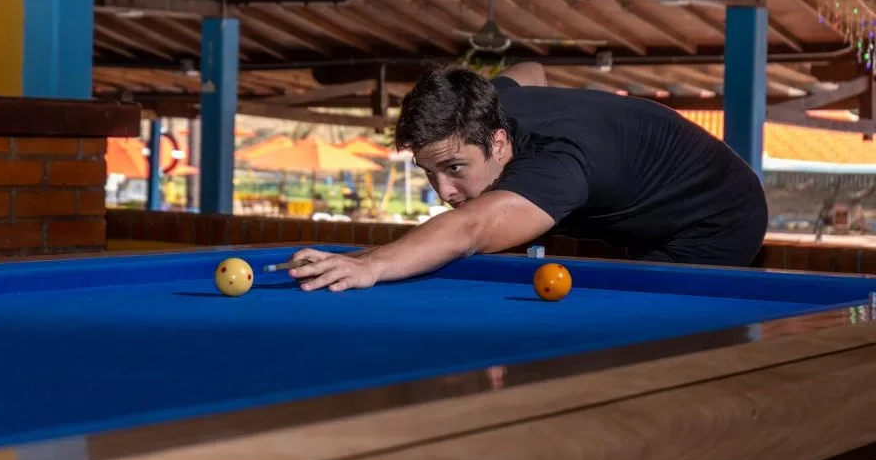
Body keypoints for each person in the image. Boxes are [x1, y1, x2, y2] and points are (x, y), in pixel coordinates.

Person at [287, 62, 768, 292]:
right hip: (655, 201)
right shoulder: (488, 108)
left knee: (637, 328)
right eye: (429, 173)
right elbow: (529, 71)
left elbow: (471, 228)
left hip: (719, 218)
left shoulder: (556, 167)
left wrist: (371, 264)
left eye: (455, 169)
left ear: (498, 145)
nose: (445, 192)